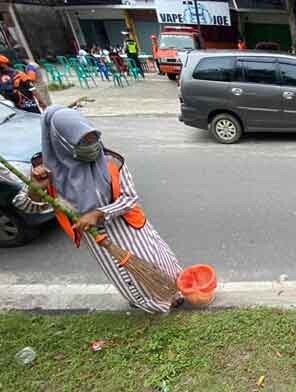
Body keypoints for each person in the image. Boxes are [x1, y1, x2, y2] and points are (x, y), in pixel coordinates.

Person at [12, 106, 183, 313]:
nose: (91, 145)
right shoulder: (47, 172)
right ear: (62, 141)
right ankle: (154, 304)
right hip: (99, 240)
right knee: (127, 275)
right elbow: (26, 206)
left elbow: (129, 198)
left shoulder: (110, 160)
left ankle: (179, 292)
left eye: (93, 137)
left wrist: (99, 213)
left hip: (131, 229)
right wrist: (35, 190)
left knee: (159, 262)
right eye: (83, 141)